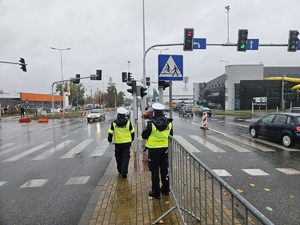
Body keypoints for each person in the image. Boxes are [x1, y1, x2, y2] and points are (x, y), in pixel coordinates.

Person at [142, 102, 173, 199]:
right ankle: (166, 189)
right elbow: (171, 135)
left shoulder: (151, 124)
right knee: (164, 169)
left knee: (155, 171)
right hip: (164, 149)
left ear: (154, 112)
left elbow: (144, 136)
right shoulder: (169, 123)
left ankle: (156, 192)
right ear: (162, 111)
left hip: (153, 150)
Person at [108, 107, 135, 178]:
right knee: (126, 157)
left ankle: (120, 169)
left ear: (118, 114)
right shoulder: (128, 123)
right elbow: (132, 132)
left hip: (118, 144)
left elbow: (110, 133)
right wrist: (132, 139)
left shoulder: (113, 123)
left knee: (118, 157)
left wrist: (110, 140)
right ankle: (124, 171)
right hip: (127, 143)